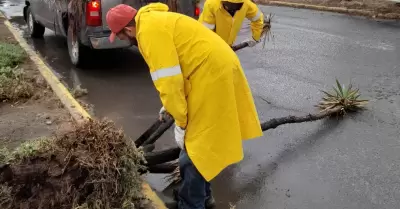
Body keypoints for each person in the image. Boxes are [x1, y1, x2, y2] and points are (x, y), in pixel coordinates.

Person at [106, 3, 263, 209]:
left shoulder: (148, 32)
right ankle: (203, 197)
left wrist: (180, 122)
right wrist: (169, 106)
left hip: (211, 73)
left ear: (127, 29)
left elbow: (169, 81)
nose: (120, 39)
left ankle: (192, 204)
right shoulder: (151, 21)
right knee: (201, 145)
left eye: (119, 35)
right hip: (210, 69)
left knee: (194, 147)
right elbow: (176, 71)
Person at [199, 0, 264, 48]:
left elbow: (258, 18)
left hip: (227, 46)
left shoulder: (246, 4)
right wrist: (215, 48)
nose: (233, 9)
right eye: (230, 5)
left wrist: (255, 37)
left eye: (237, 6)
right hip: (207, 43)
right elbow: (207, 32)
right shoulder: (211, 5)